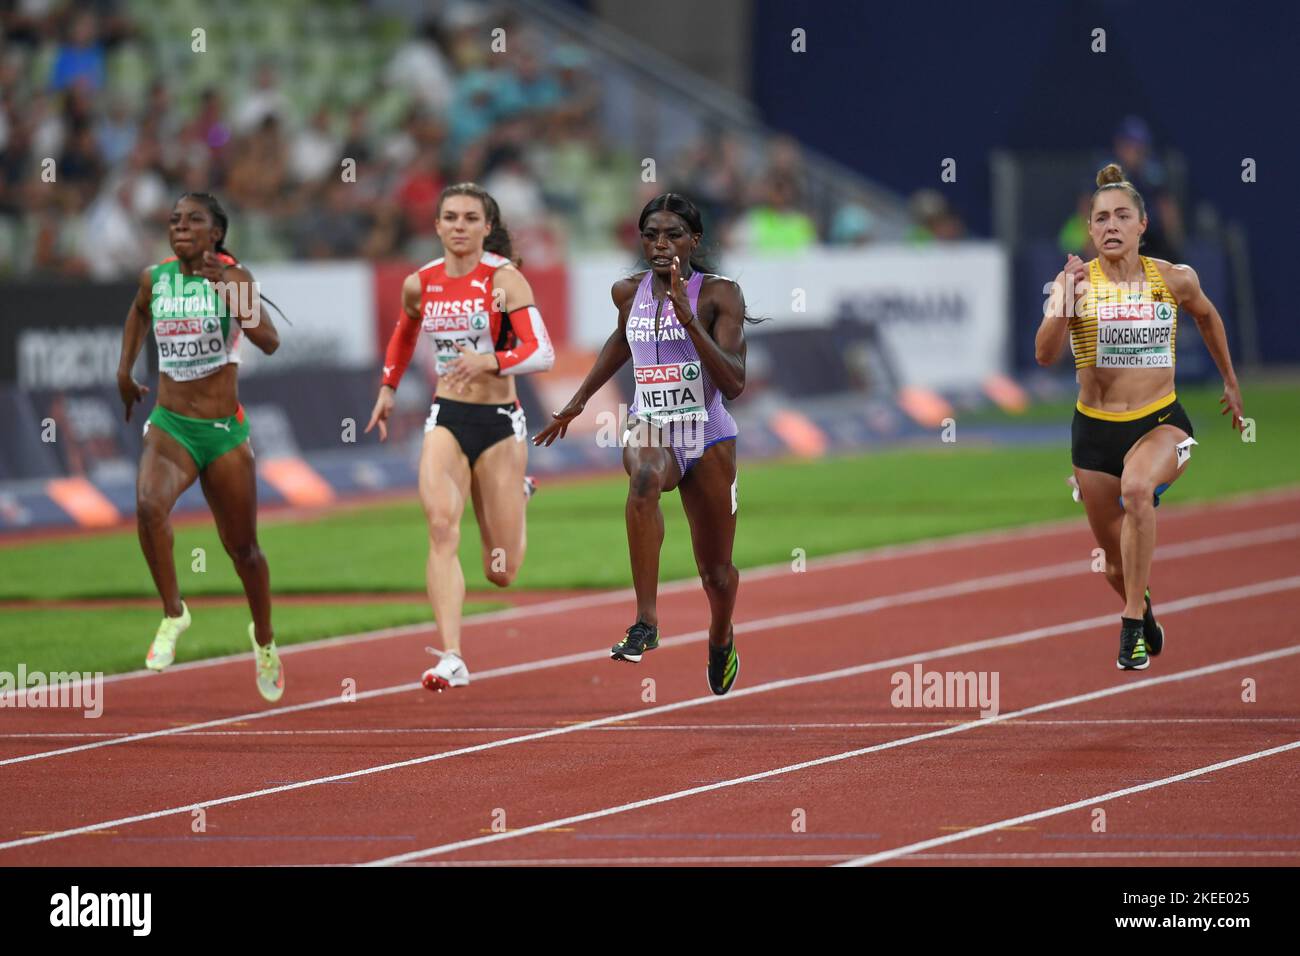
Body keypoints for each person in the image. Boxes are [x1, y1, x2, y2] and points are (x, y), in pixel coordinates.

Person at [535, 193, 751, 695]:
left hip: (708, 433)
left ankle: (721, 637)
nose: (660, 244)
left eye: (673, 234)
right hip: (650, 425)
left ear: (694, 240)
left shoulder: (720, 295)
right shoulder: (626, 292)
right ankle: (646, 621)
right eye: (651, 234)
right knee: (644, 480)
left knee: (716, 574)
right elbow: (620, 343)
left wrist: (688, 317)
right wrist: (579, 400)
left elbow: (735, 381)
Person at [1035, 164, 1244, 671]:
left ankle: (1129, 626)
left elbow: (1208, 316)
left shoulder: (1174, 278)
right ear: (1089, 229)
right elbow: (1044, 354)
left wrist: (1230, 382)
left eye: (1121, 216)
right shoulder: (1075, 283)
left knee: (1136, 490)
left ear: (1141, 225)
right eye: (1101, 217)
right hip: (1094, 436)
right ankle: (1144, 610)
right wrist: (1063, 298)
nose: (1110, 225)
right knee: (1113, 564)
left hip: (1161, 424)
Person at [366, 183, 554, 691]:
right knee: (442, 528)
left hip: (499, 424)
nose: (459, 226)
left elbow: (543, 352)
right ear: (436, 225)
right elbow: (405, 332)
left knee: (502, 571)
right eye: (450, 217)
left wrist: (491, 358)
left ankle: (519, 492)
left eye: (471, 218)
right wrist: (388, 386)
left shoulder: (504, 279)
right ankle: (452, 655)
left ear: (487, 226)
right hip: (446, 416)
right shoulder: (420, 283)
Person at [115, 192, 285, 700]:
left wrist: (228, 292)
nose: (180, 226)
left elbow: (269, 339)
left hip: (223, 433)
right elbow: (138, 313)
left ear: (216, 234)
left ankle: (265, 639)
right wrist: (124, 370)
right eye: (174, 220)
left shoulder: (235, 278)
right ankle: (174, 613)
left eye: (194, 220)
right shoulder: (156, 278)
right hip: (172, 425)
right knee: (148, 506)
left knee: (244, 551)